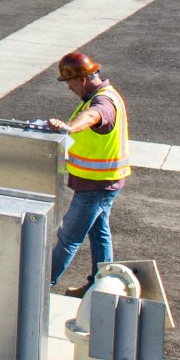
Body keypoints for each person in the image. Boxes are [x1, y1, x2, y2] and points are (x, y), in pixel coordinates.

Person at [39, 50, 129, 288]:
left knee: (68, 238)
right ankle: (98, 290)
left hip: (96, 186)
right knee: (99, 234)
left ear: (82, 79)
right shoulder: (104, 95)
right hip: (102, 182)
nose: (69, 88)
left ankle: (39, 286)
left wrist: (68, 127)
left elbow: (93, 116)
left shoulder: (103, 102)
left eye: (69, 82)